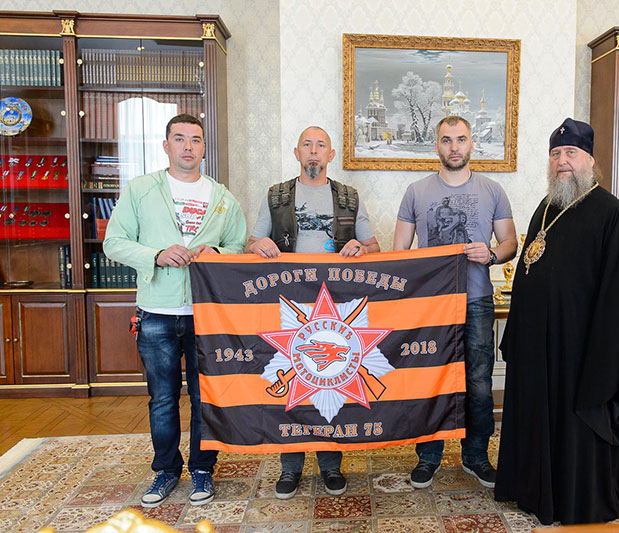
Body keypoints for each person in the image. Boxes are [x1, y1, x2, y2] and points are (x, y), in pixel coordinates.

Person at [495, 118, 619, 525]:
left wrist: (602, 353)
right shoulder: (546, 206)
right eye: (555, 154)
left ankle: (575, 498)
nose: (562, 161)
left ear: (590, 160)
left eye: (570, 153)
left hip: (582, 349)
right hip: (538, 345)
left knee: (573, 422)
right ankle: (532, 489)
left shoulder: (610, 213)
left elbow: (618, 294)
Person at [103, 113, 247, 508]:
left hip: (206, 313)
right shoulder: (140, 190)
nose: (188, 146)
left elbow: (238, 247)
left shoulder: (222, 197)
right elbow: (113, 242)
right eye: (179, 139)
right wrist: (156, 254)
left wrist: (216, 252)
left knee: (205, 398)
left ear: (204, 148)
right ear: (166, 146)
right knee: (163, 399)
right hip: (156, 312)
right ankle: (166, 470)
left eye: (195, 139)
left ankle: (202, 468)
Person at [246, 126, 380, 499]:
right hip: (288, 303)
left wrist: (360, 248)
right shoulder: (276, 196)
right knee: (292, 385)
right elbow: (251, 242)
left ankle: (330, 465)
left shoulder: (349, 197)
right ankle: (290, 467)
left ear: (331, 155)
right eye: (307, 145)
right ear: (297, 152)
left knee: (329, 382)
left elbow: (374, 247)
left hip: (336, 305)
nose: (314, 151)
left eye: (321, 145)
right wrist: (259, 245)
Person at [394, 115, 517, 489]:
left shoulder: (492, 190)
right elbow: (399, 252)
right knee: (429, 379)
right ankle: (428, 457)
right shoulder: (416, 192)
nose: (454, 147)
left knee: (478, 381)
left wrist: (491, 255)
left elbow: (510, 243)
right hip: (430, 304)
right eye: (446, 140)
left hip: (476, 300)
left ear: (471, 144)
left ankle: (476, 456)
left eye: (460, 139)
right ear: (436, 146)